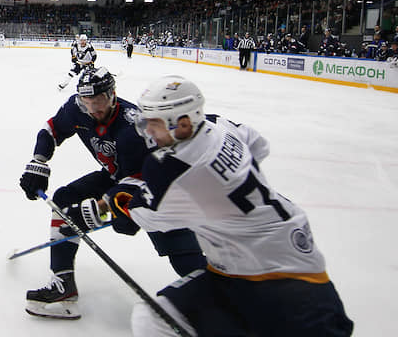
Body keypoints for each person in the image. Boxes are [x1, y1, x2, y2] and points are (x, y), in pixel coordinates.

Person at [114, 75, 353, 336]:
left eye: (154, 123)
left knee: (155, 320)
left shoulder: (171, 168)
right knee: (153, 317)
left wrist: (122, 201)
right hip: (260, 264)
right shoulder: (220, 125)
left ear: (181, 123)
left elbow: (147, 216)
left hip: (284, 284)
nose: (147, 130)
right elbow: (259, 145)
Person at [19, 67, 205, 320]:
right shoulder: (77, 109)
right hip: (116, 177)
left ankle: (221, 297)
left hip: (156, 186)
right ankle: (63, 286)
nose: (93, 109)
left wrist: (103, 206)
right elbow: (52, 128)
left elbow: (141, 178)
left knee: (180, 251)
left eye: (99, 102)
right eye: (87, 103)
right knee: (63, 201)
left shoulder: (133, 125)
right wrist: (39, 161)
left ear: (112, 95)